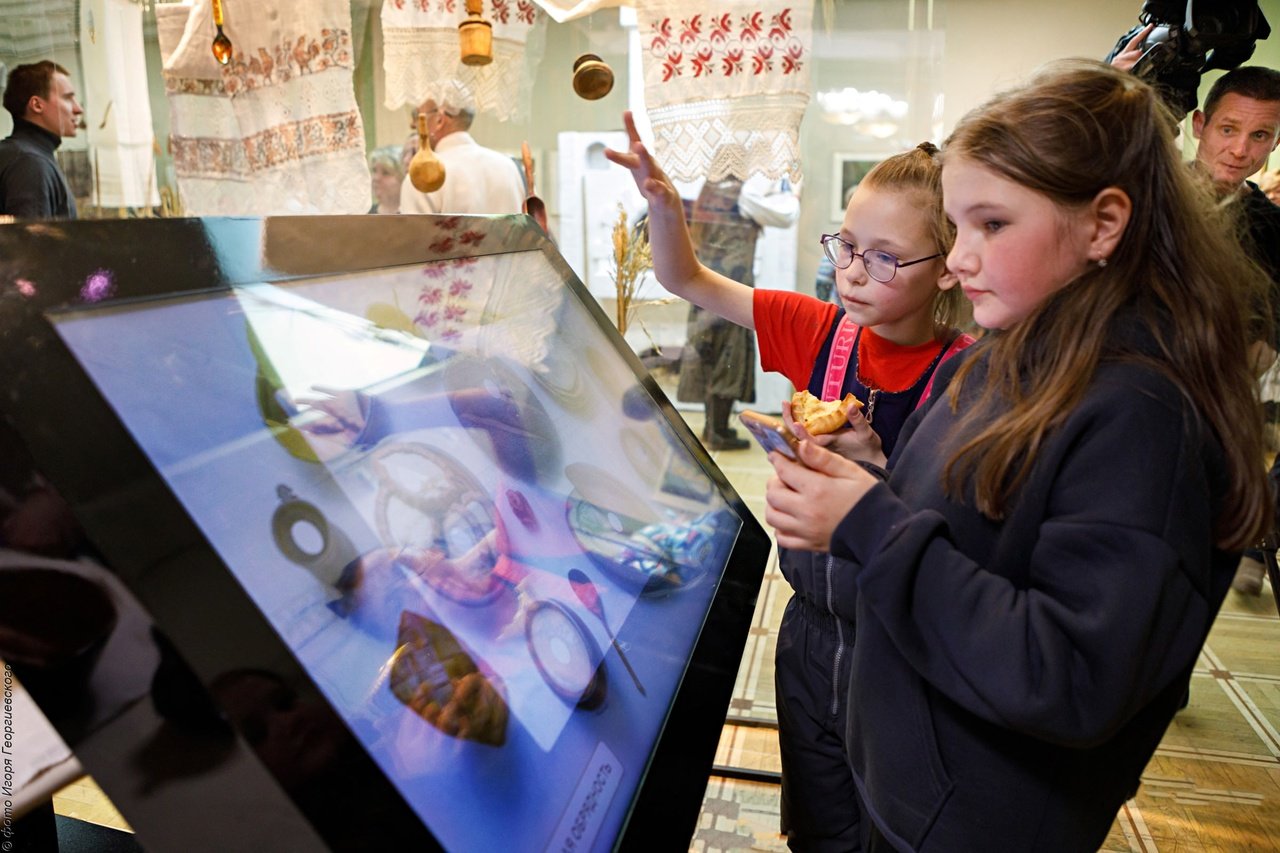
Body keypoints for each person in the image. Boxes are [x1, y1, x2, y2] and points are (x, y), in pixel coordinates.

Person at [763, 59, 1271, 851]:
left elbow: (1069, 671)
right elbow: (977, 537)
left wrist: (869, 522)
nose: (959, 258)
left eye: (992, 225)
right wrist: (875, 477)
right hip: (910, 784)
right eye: (956, 226)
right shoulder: (1001, 354)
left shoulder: (1143, 416)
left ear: (1103, 224)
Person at [606, 115, 972, 850]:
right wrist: (665, 208)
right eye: (847, 245)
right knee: (817, 812)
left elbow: (961, 539)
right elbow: (686, 280)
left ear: (948, 266)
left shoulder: (968, 376)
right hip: (806, 627)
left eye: (885, 258)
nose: (854, 272)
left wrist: (878, 475)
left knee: (891, 819)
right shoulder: (820, 332)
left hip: (899, 642)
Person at [673, 175, 799, 450]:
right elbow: (786, 215)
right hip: (732, 283)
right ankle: (717, 431)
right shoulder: (746, 191)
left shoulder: (710, 189)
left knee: (710, 352)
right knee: (731, 353)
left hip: (706, 282)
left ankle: (713, 427)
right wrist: (792, 194)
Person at [398, 81, 523, 216]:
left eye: (417, 116)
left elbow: (413, 230)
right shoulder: (510, 168)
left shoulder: (424, 177)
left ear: (439, 120)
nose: (412, 125)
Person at [0, 60, 83, 219]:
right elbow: (29, 234)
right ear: (37, 105)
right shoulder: (29, 162)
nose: (78, 109)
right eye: (67, 98)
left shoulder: (22, 155)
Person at [368, 145, 404, 214]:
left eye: (385, 173)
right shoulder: (364, 215)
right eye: (374, 171)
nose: (376, 178)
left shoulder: (415, 214)